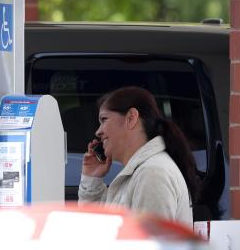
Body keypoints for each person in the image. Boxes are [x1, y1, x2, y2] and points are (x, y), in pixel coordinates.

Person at [78, 86, 198, 226]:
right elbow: (92, 231)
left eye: (104, 119)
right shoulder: (143, 172)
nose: (98, 132)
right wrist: (92, 179)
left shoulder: (152, 173)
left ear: (131, 118)